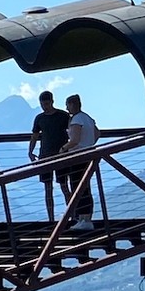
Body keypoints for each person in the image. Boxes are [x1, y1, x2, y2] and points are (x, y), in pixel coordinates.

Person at [28, 90, 71, 219]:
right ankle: (51, 218)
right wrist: (30, 151)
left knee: (64, 185)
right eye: (42, 104)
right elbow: (35, 135)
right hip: (44, 156)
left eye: (46, 104)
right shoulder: (39, 118)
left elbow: (72, 131)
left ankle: (72, 214)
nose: (44, 107)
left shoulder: (63, 116)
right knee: (48, 188)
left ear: (52, 102)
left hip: (61, 155)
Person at [60, 92, 99, 230]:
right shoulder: (88, 118)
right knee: (86, 187)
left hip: (78, 157)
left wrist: (64, 148)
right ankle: (86, 218)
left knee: (78, 187)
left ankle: (83, 218)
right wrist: (89, 144)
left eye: (67, 105)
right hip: (88, 155)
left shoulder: (77, 120)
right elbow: (98, 133)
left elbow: (75, 140)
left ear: (72, 104)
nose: (66, 108)